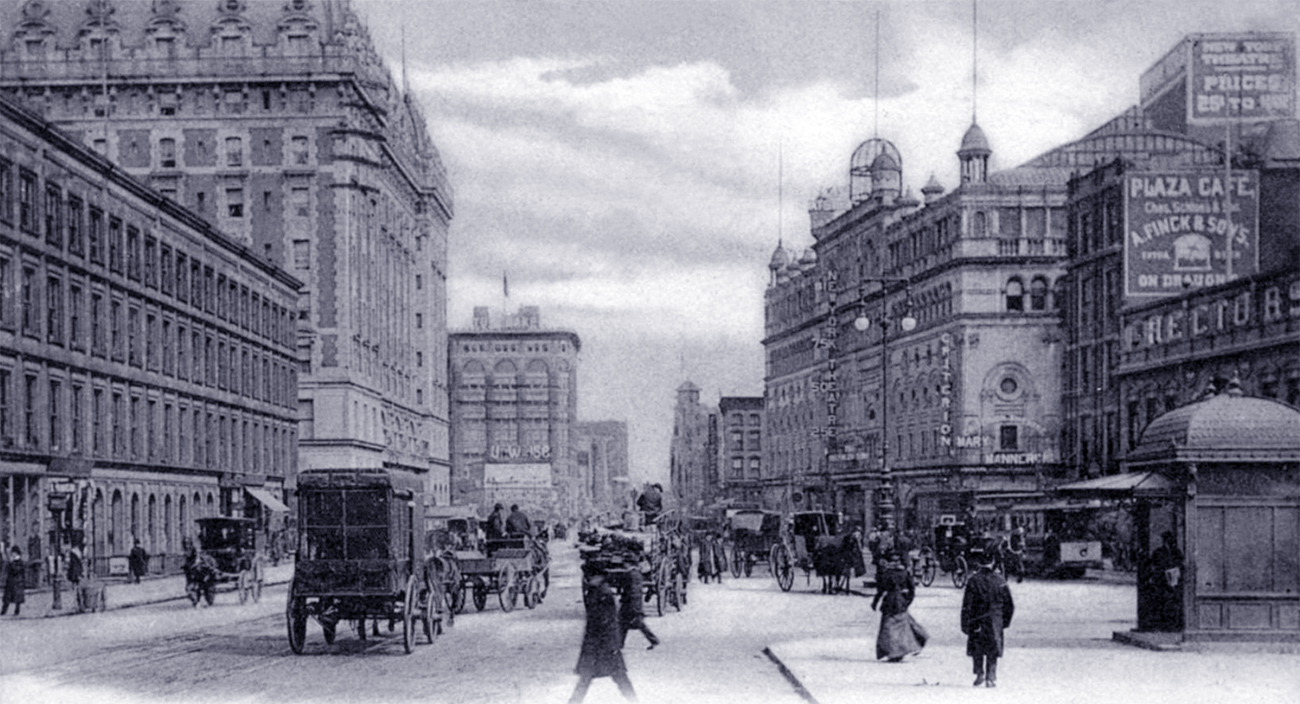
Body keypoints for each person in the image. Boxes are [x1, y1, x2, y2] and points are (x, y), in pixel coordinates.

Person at [570, 569, 637, 703]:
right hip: (598, 644)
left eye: (592, 577)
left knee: (614, 676)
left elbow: (609, 622)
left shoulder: (603, 595)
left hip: (603, 644)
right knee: (591, 677)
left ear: (599, 577)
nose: (590, 580)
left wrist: (612, 644)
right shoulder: (598, 592)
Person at [961, 549, 1015, 688]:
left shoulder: (973, 581)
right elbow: (1009, 605)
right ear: (992, 563)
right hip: (995, 620)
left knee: (977, 648)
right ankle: (991, 676)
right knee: (993, 649)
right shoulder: (1000, 581)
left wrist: (965, 623)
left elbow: (967, 604)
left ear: (979, 563)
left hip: (976, 619)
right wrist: (1004, 622)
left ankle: (979, 673)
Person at [870, 551, 928, 662]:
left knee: (889, 629)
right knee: (903, 628)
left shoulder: (886, 574)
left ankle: (893, 652)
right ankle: (905, 647)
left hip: (889, 602)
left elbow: (880, 590)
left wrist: (875, 603)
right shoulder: (905, 573)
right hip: (901, 602)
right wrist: (907, 601)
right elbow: (912, 590)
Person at [1148, 530, 1184, 631]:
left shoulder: (1176, 552)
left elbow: (1180, 564)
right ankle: (1162, 625)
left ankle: (1172, 624)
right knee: (1161, 603)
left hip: (1174, 581)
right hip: (1162, 581)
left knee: (1173, 603)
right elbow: (1154, 566)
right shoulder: (1158, 552)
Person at [2, 545, 25, 616]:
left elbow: (16, 570)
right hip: (10, 581)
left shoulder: (19, 562)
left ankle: (16, 611)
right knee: (7, 597)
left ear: (17, 553)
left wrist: (11, 563)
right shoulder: (11, 561)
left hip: (17, 582)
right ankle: (3, 611)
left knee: (17, 598)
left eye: (14, 553)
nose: (12, 554)